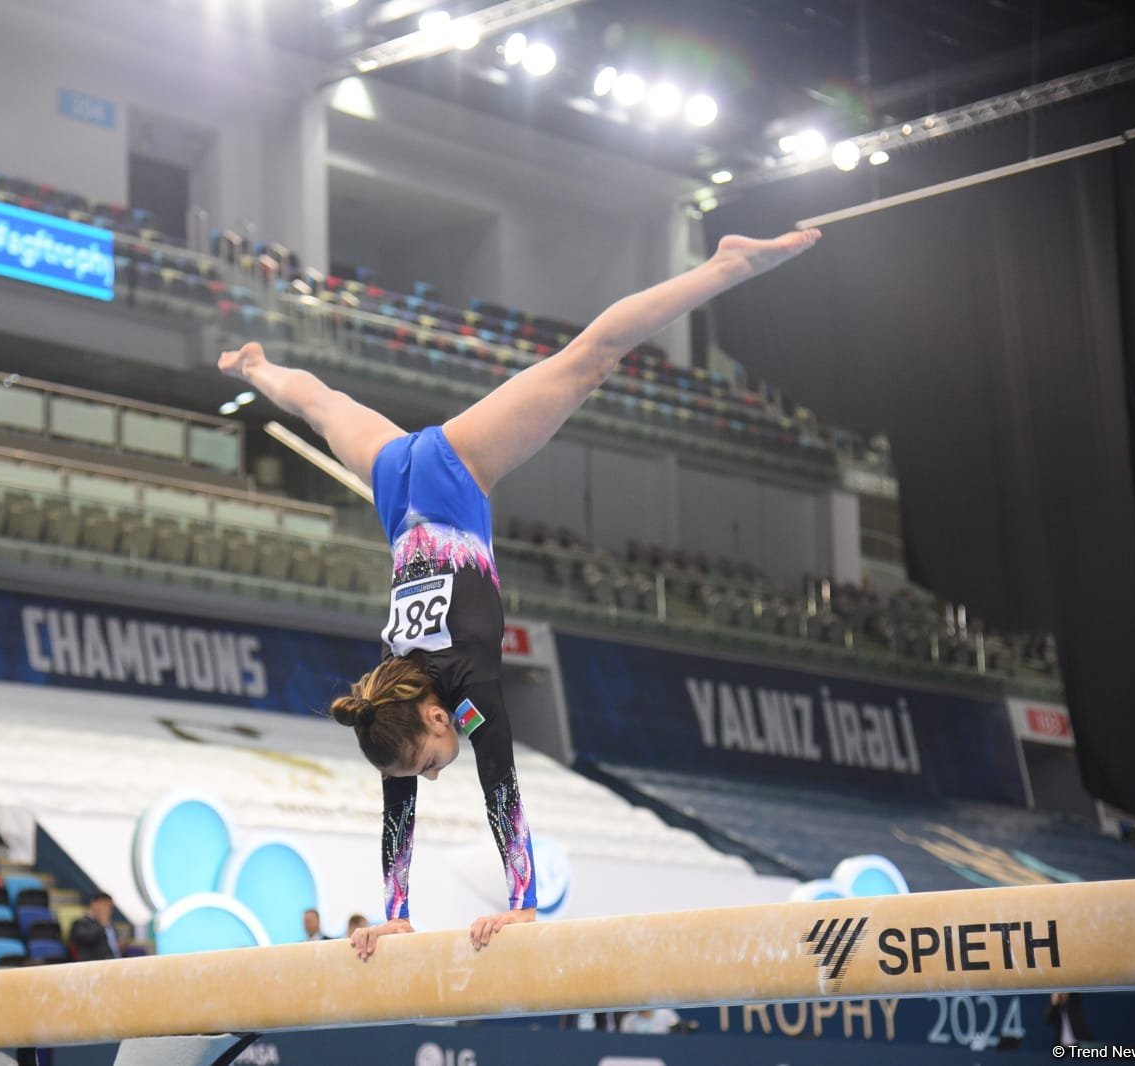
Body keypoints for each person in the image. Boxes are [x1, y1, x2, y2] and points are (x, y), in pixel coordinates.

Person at [219, 229, 821, 961]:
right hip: (395, 487)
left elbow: (498, 787)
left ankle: (728, 263)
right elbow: (397, 803)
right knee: (321, 405)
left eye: (433, 758)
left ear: (439, 717)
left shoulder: (467, 694)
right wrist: (396, 913)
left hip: (446, 475)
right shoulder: (391, 693)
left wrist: (523, 906)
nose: (435, 773)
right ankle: (259, 366)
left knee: (588, 362)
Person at [68, 893, 122, 962]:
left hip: (114, 963)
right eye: (105, 906)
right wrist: (102, 924)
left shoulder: (110, 925)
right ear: (94, 904)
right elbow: (87, 939)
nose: (108, 910)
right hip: (92, 964)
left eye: (110, 907)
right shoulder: (81, 923)